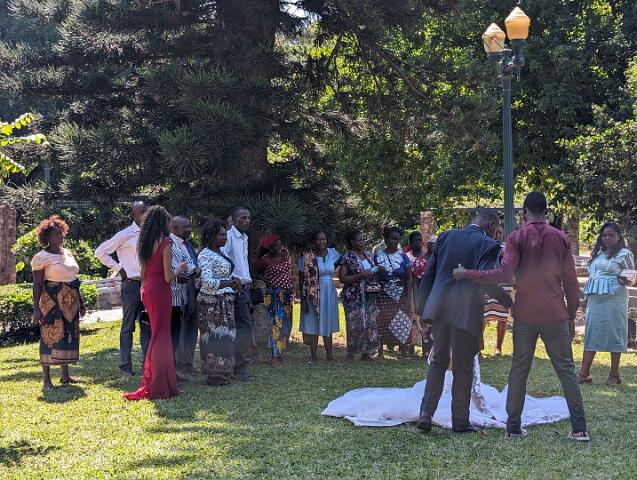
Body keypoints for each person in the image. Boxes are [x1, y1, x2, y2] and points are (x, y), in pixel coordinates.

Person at [454, 192, 590, 442]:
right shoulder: (561, 238)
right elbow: (571, 283)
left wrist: (468, 274)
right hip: (555, 313)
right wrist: (571, 316)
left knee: (519, 368)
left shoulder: (517, 237)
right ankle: (580, 428)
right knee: (567, 370)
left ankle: (514, 426)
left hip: (526, 313)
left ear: (524, 212)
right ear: (545, 211)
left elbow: (504, 274)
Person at [416, 209, 512, 434]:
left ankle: (426, 414)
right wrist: (508, 302)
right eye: (496, 227)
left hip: (440, 306)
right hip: (466, 308)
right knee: (463, 365)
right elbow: (486, 279)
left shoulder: (445, 236)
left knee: (439, 360)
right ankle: (460, 421)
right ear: (490, 224)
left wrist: (423, 309)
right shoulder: (488, 244)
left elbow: (429, 274)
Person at [322, 355, 570, 430]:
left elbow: (471, 382)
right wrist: (485, 412)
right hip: (449, 394)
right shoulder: (458, 345)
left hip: (444, 391)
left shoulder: (446, 340)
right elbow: (468, 383)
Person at [125, 206, 187, 400]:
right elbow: (168, 277)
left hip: (148, 291)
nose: (170, 224)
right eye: (169, 221)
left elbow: (143, 274)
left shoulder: (145, 242)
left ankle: (159, 380)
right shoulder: (166, 242)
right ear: (163, 222)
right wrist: (180, 269)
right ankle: (159, 383)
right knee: (161, 337)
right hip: (161, 291)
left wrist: (145, 292)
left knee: (157, 334)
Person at [31, 216, 86, 392]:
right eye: (56, 234)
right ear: (46, 237)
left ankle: (65, 376)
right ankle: (47, 380)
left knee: (67, 336)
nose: (60, 237)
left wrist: (81, 302)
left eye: (61, 233)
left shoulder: (67, 253)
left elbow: (73, 278)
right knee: (50, 337)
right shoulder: (41, 257)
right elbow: (37, 284)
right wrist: (37, 309)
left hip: (70, 302)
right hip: (52, 302)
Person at [95, 201, 150, 376]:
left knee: (147, 324)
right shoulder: (125, 234)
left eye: (146, 211)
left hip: (148, 284)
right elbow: (100, 252)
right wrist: (119, 268)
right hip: (132, 284)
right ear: (133, 215)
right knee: (128, 326)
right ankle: (125, 365)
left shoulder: (152, 234)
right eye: (140, 212)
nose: (144, 215)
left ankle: (147, 365)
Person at [579, 222, 636, 385]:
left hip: (614, 298)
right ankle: (584, 374)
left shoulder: (625, 253)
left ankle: (614, 375)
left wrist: (627, 281)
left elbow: (632, 275)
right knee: (591, 333)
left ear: (618, 237)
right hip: (595, 298)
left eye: (611, 235)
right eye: (604, 235)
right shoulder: (597, 253)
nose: (607, 238)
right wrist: (586, 298)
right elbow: (592, 275)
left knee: (615, 332)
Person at [197, 219, 242, 386]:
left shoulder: (220, 253)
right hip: (212, 303)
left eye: (225, 234)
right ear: (211, 236)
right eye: (221, 235)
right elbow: (207, 281)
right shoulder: (205, 255)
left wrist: (233, 281)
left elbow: (222, 275)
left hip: (224, 301)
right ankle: (213, 376)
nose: (224, 237)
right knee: (214, 337)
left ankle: (222, 372)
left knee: (225, 337)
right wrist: (230, 283)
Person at [221, 207, 254, 381]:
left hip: (245, 288)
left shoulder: (244, 238)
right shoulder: (228, 236)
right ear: (234, 220)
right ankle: (238, 369)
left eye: (248, 218)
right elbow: (221, 259)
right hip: (234, 289)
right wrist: (232, 280)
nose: (247, 220)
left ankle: (237, 367)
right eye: (243, 217)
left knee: (243, 328)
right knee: (243, 328)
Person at [298, 231, 341, 363]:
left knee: (327, 321)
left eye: (324, 239)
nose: (322, 242)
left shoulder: (333, 254)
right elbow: (301, 280)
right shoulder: (306, 258)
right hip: (312, 293)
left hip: (329, 292)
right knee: (312, 323)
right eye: (318, 239)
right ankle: (313, 356)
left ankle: (330, 355)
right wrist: (303, 299)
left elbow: (344, 262)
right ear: (314, 241)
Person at [338, 230, 381, 361]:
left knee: (369, 322)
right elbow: (342, 278)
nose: (362, 243)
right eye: (359, 240)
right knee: (354, 323)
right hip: (353, 296)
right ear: (352, 242)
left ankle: (366, 352)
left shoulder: (368, 255)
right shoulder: (347, 257)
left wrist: (375, 272)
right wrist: (361, 275)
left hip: (369, 296)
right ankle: (352, 352)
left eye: (363, 240)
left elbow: (372, 272)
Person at [374, 227, 414, 358]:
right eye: (391, 238)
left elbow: (408, 278)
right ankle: (380, 351)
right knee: (381, 321)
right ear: (385, 239)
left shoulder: (403, 257)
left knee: (403, 322)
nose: (394, 241)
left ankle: (404, 350)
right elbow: (374, 276)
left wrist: (409, 298)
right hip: (383, 295)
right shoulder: (377, 256)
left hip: (400, 295)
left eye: (397, 239)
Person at [169, 216, 200, 379]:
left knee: (191, 326)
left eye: (189, 226)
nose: (189, 230)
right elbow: (176, 269)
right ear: (174, 228)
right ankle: (180, 364)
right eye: (185, 227)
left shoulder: (186, 243)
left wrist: (196, 270)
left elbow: (191, 264)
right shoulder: (171, 243)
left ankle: (188, 363)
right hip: (178, 289)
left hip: (191, 287)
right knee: (181, 326)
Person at [257, 234, 294, 365]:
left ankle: (279, 351)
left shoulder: (285, 254)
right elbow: (254, 271)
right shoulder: (265, 259)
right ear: (269, 247)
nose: (279, 247)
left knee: (286, 325)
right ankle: (274, 355)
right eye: (275, 245)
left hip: (287, 295)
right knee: (275, 325)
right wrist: (265, 280)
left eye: (280, 244)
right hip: (273, 295)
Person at [480, 225, 511, 356]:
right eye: (496, 233)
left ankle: (498, 347)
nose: (498, 235)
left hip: (504, 283)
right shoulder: (484, 246)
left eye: (500, 233)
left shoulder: (507, 247)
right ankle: (479, 345)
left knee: (502, 316)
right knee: (482, 314)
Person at [406, 231, 432, 357]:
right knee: (413, 319)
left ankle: (425, 347)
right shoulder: (408, 256)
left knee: (424, 320)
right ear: (410, 243)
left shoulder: (429, 256)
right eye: (415, 241)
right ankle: (411, 345)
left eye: (420, 240)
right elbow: (413, 281)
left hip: (427, 293)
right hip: (413, 292)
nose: (418, 243)